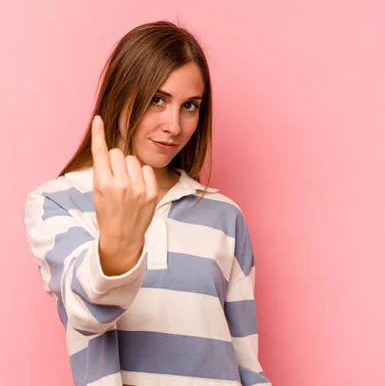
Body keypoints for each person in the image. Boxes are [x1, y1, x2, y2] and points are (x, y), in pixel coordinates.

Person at [23, 20, 271, 386]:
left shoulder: (224, 215)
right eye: (158, 99)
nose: (174, 125)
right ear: (120, 94)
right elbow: (87, 312)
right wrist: (120, 240)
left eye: (190, 106)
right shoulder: (57, 202)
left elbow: (246, 359)